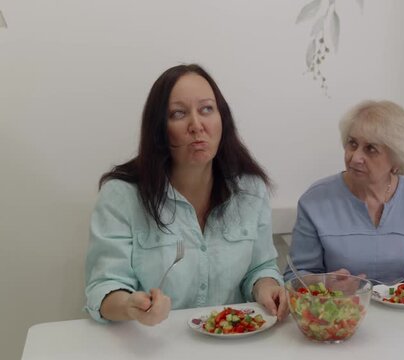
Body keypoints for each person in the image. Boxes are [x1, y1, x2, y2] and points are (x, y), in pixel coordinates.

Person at [85, 64, 287, 326]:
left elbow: (260, 268)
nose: (196, 125)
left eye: (206, 109)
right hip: (151, 346)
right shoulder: (121, 195)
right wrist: (130, 306)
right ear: (159, 129)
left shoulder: (249, 189)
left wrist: (266, 287)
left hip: (233, 343)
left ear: (222, 119)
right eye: (179, 114)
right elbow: (103, 286)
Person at [284, 100, 404, 285]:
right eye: (352, 144)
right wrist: (325, 284)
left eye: (371, 149)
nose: (355, 158)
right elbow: (294, 277)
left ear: (396, 159)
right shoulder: (315, 200)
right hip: (342, 311)